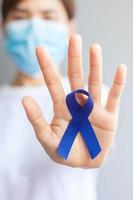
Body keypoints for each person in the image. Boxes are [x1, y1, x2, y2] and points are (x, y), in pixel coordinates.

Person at [0, 0, 127, 199]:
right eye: (20, 17)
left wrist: (92, 152)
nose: (34, 28)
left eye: (48, 17)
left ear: (70, 27)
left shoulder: (89, 102)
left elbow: (101, 146)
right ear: (3, 27)